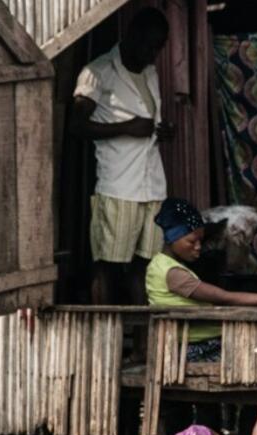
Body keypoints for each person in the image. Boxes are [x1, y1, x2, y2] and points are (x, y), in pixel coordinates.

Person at [71, 7, 175, 305]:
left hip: (152, 184)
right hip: (119, 186)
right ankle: (104, 344)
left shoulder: (151, 74)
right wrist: (126, 127)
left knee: (145, 267)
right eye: (149, 45)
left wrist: (161, 132)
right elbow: (76, 126)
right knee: (108, 265)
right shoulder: (98, 72)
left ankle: (141, 345)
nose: (153, 54)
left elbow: (146, 125)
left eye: (159, 47)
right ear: (131, 37)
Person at [146, 198, 257, 361]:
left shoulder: (161, 265)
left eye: (200, 241)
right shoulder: (172, 272)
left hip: (198, 343)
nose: (198, 247)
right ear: (172, 238)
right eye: (191, 241)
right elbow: (224, 297)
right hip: (194, 349)